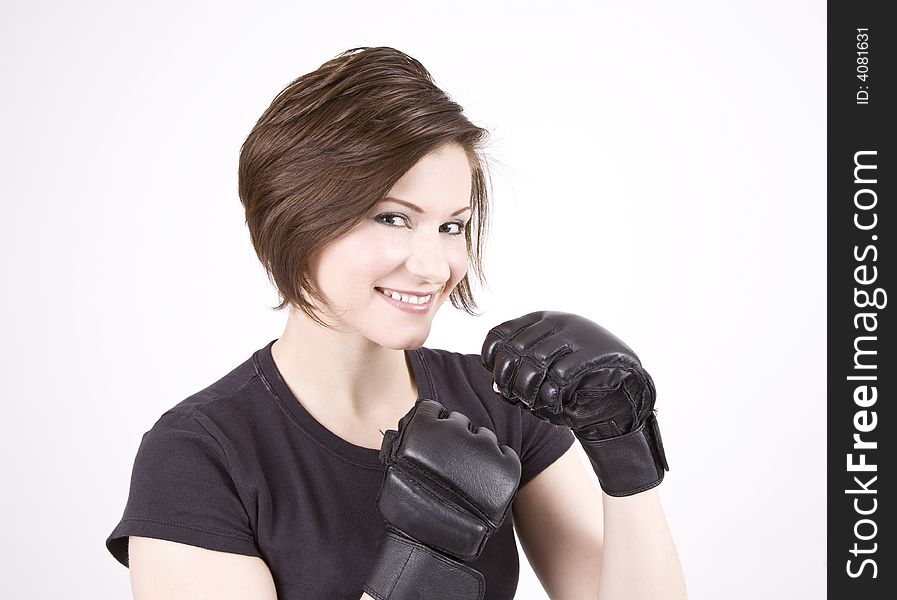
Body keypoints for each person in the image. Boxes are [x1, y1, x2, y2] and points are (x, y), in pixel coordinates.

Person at [105, 46, 687, 599]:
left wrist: (624, 455)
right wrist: (418, 567)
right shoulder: (199, 455)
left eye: (452, 226)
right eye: (392, 218)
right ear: (296, 218)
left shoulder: (501, 403)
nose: (436, 266)